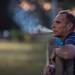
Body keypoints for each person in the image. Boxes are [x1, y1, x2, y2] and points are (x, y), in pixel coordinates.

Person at [43, 10, 75, 75]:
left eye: (58, 22)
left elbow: (69, 52)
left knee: (59, 56)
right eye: (53, 23)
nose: (53, 26)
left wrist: (55, 51)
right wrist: (53, 67)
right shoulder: (65, 40)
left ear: (69, 26)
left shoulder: (72, 37)